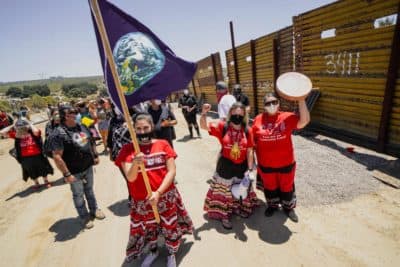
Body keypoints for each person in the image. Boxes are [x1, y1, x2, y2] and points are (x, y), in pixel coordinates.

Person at [114, 113, 193, 267]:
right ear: (133, 130)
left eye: (146, 128)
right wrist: (136, 163)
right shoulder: (127, 150)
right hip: (142, 201)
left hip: (165, 197)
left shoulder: (163, 144)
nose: (143, 132)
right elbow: (130, 178)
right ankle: (153, 251)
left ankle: (171, 253)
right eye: (138, 129)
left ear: (151, 127)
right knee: (149, 229)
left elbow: (171, 171)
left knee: (170, 226)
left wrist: (158, 193)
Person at [252, 92, 310, 223]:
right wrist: (252, 161)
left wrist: (301, 99)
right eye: (268, 103)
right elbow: (252, 141)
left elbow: (304, 121)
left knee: (286, 187)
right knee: (270, 187)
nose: (271, 105)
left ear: (278, 103)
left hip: (286, 163)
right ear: (264, 106)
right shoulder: (258, 119)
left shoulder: (287, 117)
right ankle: (272, 206)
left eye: (274, 102)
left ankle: (288, 208)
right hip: (266, 165)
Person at [200, 102, 259, 229]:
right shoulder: (223, 126)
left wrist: (250, 169)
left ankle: (237, 208)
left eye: (240, 114)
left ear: (244, 115)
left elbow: (249, 150)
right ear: (230, 114)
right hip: (225, 165)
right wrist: (204, 113)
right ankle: (224, 215)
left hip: (241, 166)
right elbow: (204, 127)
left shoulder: (248, 130)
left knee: (239, 189)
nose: (237, 116)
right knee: (224, 192)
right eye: (234, 114)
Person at [49, 105, 105, 229]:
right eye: (72, 113)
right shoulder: (58, 133)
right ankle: (84, 216)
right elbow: (57, 157)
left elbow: (91, 141)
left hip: (87, 166)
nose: (76, 115)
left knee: (89, 190)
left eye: (76, 112)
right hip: (73, 172)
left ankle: (94, 210)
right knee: (78, 195)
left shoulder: (82, 126)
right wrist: (67, 174)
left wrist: (95, 155)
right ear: (65, 116)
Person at [10, 118, 53, 189]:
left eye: (23, 126)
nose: (22, 128)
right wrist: (14, 125)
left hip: (37, 155)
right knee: (31, 171)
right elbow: (2, 133)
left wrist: (29, 123)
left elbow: (37, 131)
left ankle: (46, 181)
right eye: (20, 127)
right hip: (25, 158)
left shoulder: (33, 133)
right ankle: (36, 183)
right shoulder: (17, 135)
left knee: (43, 168)